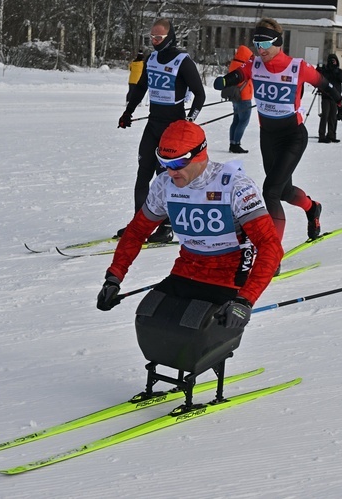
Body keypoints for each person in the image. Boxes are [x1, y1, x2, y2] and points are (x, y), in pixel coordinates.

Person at [96, 120, 283, 406]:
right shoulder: (164, 185)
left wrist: (245, 301)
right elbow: (136, 232)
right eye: (163, 162)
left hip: (229, 275)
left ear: (200, 155)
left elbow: (270, 245)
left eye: (178, 163)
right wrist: (114, 277)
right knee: (148, 317)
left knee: (196, 327)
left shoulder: (234, 185)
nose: (171, 171)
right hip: (188, 269)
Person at [213, 17, 342, 247]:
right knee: (284, 191)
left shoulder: (297, 67)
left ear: (278, 43)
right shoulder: (255, 64)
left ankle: (272, 253)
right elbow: (240, 74)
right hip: (268, 138)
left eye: (265, 44)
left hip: (293, 137)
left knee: (271, 192)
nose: (260, 49)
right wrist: (225, 80)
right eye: (257, 43)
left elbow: (324, 84)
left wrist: (341, 103)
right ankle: (312, 208)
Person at [117, 18, 206, 243]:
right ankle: (140, 224)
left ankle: (166, 226)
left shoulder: (183, 61)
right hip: (153, 124)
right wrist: (128, 112)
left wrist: (189, 121)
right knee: (143, 173)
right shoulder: (152, 58)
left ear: (170, 37)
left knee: (166, 177)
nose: (154, 42)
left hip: (173, 128)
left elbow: (199, 94)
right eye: (152, 38)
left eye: (159, 38)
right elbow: (141, 88)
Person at [226, 45, 254, 154]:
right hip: (244, 97)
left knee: (236, 120)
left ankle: (232, 143)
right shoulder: (244, 67)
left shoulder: (233, 64)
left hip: (235, 96)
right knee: (243, 121)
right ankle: (236, 144)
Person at [317, 54, 342, 143]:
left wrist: (337, 71)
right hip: (326, 96)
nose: (332, 62)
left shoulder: (339, 71)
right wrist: (319, 69)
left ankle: (332, 135)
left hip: (336, 98)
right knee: (325, 116)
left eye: (334, 60)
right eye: (331, 60)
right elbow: (318, 77)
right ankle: (322, 136)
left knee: (333, 117)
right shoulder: (325, 70)